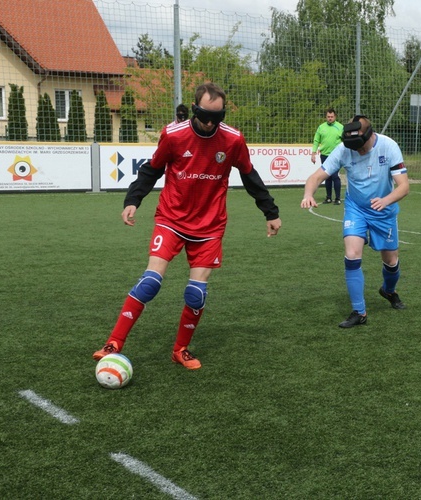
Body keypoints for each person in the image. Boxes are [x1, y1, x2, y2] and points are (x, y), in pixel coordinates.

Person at [93, 82, 282, 369]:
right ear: (194, 109)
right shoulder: (173, 135)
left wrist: (270, 211)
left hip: (209, 226)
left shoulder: (232, 140)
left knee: (196, 293)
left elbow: (249, 175)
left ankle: (180, 349)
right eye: (205, 115)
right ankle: (114, 342)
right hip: (171, 218)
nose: (210, 123)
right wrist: (133, 199)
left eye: (217, 118)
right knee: (150, 283)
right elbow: (152, 168)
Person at [301, 115, 410, 328]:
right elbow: (315, 178)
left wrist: (385, 200)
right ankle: (359, 312)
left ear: (369, 136)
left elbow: (404, 186)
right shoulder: (344, 149)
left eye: (360, 147)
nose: (357, 152)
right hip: (356, 209)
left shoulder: (389, 146)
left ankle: (389, 290)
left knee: (391, 260)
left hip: (383, 210)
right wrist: (308, 194)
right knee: (351, 255)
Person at [310, 108, 344, 205]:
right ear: (326, 117)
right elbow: (316, 141)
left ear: (335, 117)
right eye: (328, 117)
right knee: (327, 177)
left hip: (336, 156)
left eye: (331, 117)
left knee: (334, 176)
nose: (330, 118)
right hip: (324, 155)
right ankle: (328, 197)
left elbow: (345, 141)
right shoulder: (321, 127)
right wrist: (313, 153)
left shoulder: (340, 127)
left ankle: (337, 198)